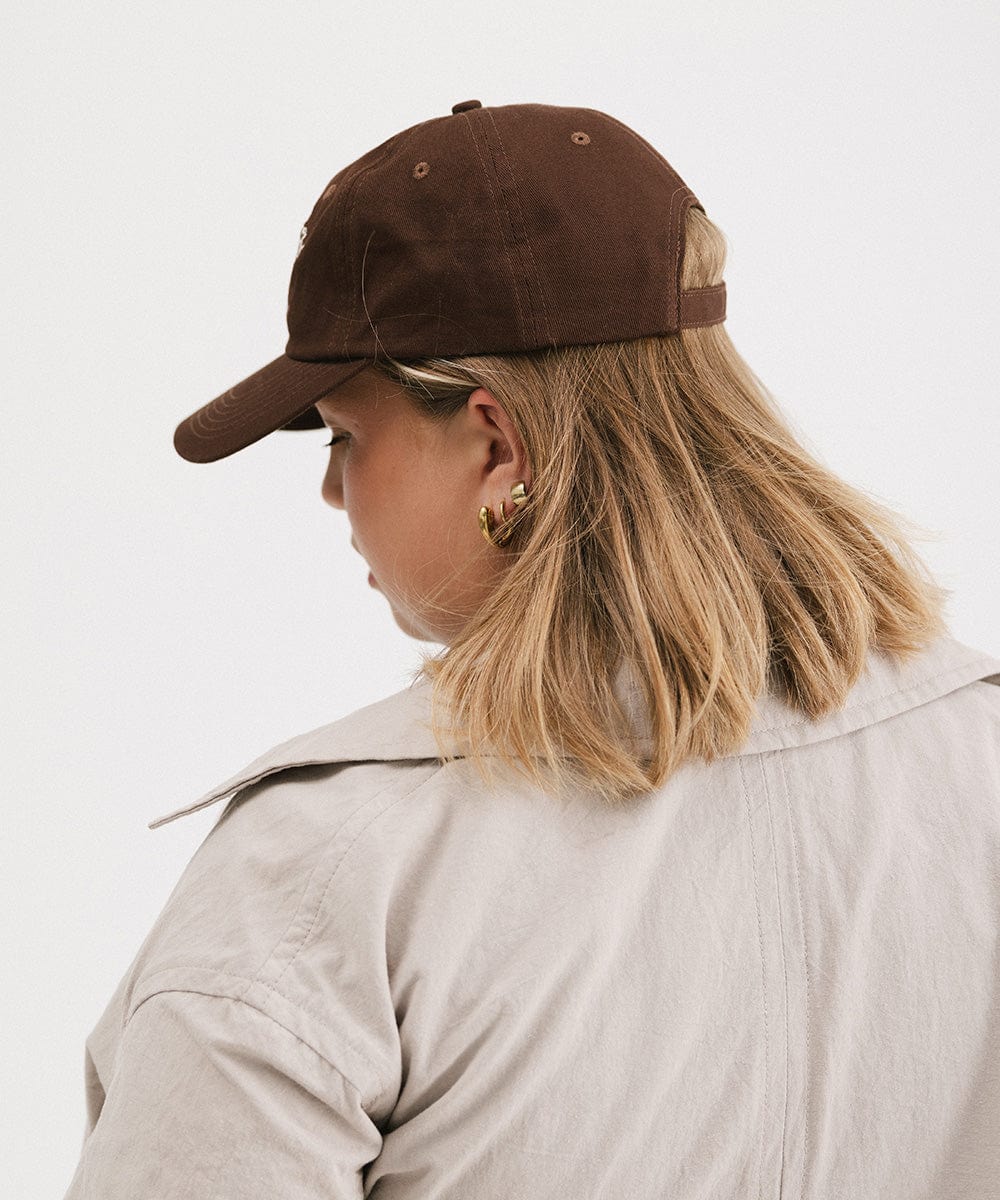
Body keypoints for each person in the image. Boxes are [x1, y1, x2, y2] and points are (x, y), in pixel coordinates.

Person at [63, 100, 1000, 1199]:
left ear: (498, 443)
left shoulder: (323, 875)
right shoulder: (974, 754)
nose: (330, 490)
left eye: (344, 435)